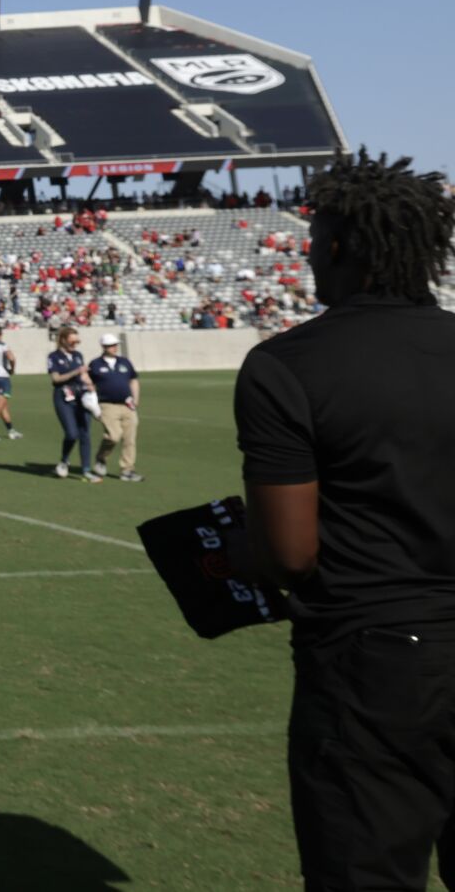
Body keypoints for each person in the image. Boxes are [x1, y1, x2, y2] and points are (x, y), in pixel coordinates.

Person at [239, 151, 455, 888]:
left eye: (313, 237)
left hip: (374, 662)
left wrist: (234, 553)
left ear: (336, 245)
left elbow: (293, 553)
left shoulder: (286, 364)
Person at [47, 327, 99, 482]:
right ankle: (64, 460)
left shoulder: (78, 355)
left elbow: (84, 375)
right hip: (63, 397)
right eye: (72, 341)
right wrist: (76, 372)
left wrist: (90, 384)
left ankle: (86, 470)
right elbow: (55, 379)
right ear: (63, 340)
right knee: (71, 433)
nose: (75, 344)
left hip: (81, 396)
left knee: (85, 433)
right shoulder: (54, 357)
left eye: (77, 341)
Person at [87, 334, 141, 482]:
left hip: (127, 404)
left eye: (116, 345)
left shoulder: (125, 362)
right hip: (107, 405)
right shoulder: (95, 364)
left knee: (130, 439)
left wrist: (136, 399)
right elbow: (88, 383)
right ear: (104, 347)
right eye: (111, 345)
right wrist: (92, 404)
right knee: (113, 436)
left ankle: (127, 470)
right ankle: (101, 458)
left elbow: (133, 380)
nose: (115, 347)